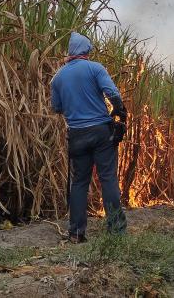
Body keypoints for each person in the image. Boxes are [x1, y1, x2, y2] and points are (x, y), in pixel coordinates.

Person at [50, 32, 127, 243]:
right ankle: (116, 232)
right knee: (108, 179)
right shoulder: (95, 68)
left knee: (79, 183)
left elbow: (56, 107)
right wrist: (120, 111)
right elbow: (112, 93)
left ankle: (76, 233)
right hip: (101, 132)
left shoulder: (58, 77)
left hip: (76, 134)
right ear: (86, 51)